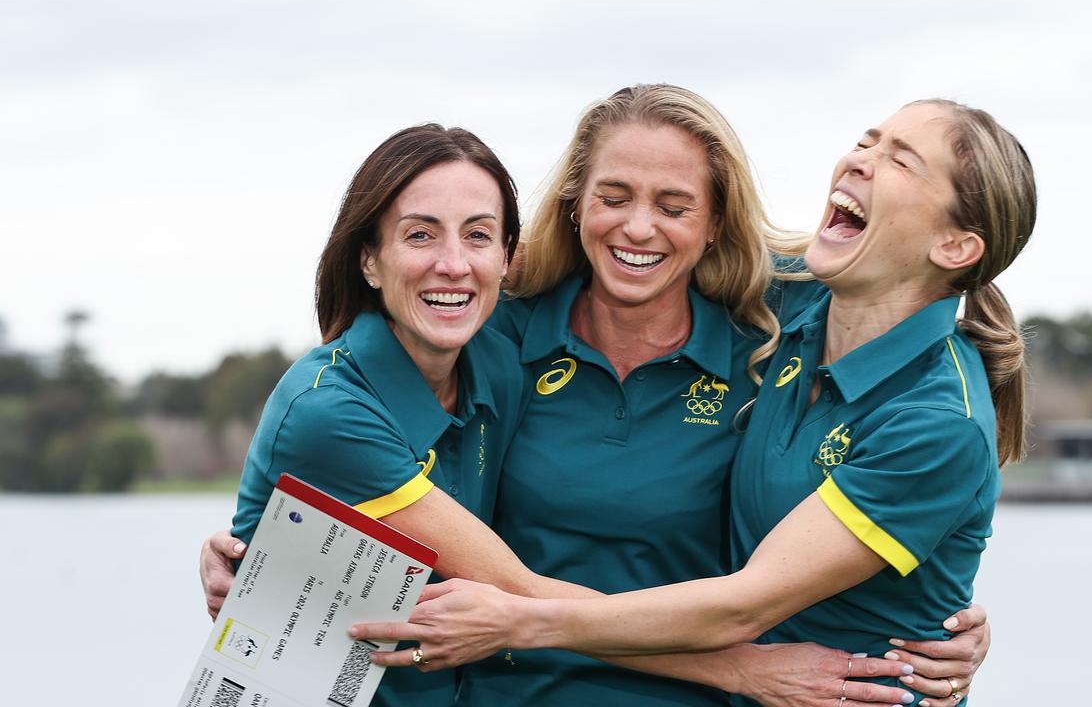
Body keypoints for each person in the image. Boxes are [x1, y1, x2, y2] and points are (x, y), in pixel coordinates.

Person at [203, 86, 992, 706]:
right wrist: (742, 670)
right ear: (576, 204)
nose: (640, 227)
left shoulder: (774, 325)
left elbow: (913, 300)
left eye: (675, 205)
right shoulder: (495, 335)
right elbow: (495, 586)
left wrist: (934, 617)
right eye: (614, 196)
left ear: (715, 223)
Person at [224, 124, 530, 707]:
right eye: (420, 235)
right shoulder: (328, 413)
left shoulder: (497, 360)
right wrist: (728, 668)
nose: (453, 263)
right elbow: (524, 596)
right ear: (369, 259)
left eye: (478, 236)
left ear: (507, 256)